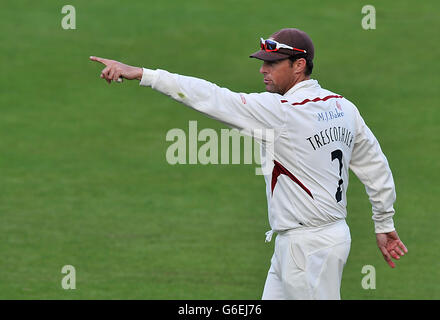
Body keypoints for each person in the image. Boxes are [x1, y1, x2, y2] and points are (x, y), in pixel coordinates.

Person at [90, 28, 407, 300]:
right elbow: (375, 167)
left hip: (309, 249)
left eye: (271, 63)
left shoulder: (281, 112)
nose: (262, 70)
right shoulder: (343, 107)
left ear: (299, 65)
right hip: (305, 242)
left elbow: (212, 98)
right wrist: (384, 224)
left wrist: (144, 74)